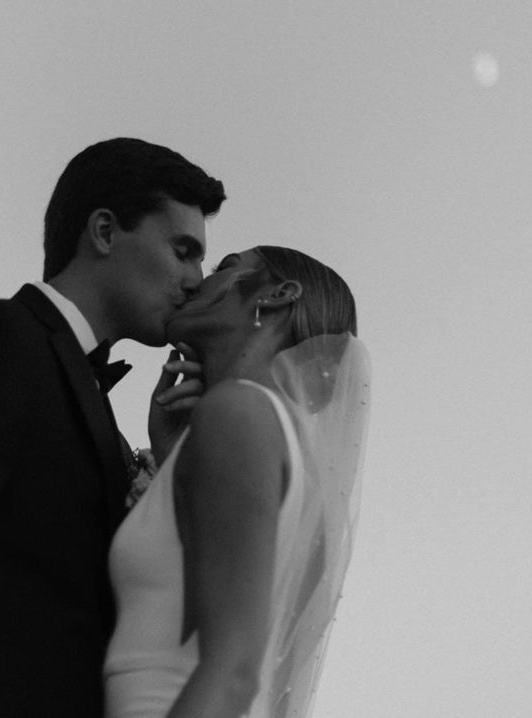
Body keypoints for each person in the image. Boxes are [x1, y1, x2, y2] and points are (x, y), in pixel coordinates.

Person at [0, 137, 226, 718]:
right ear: (103, 232)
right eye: (182, 250)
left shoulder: (98, 411)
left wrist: (168, 460)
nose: (197, 279)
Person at [104, 246, 371, 718]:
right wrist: (173, 461)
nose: (196, 281)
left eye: (225, 268)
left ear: (276, 296)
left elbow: (234, 674)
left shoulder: (237, 413)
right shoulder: (282, 451)